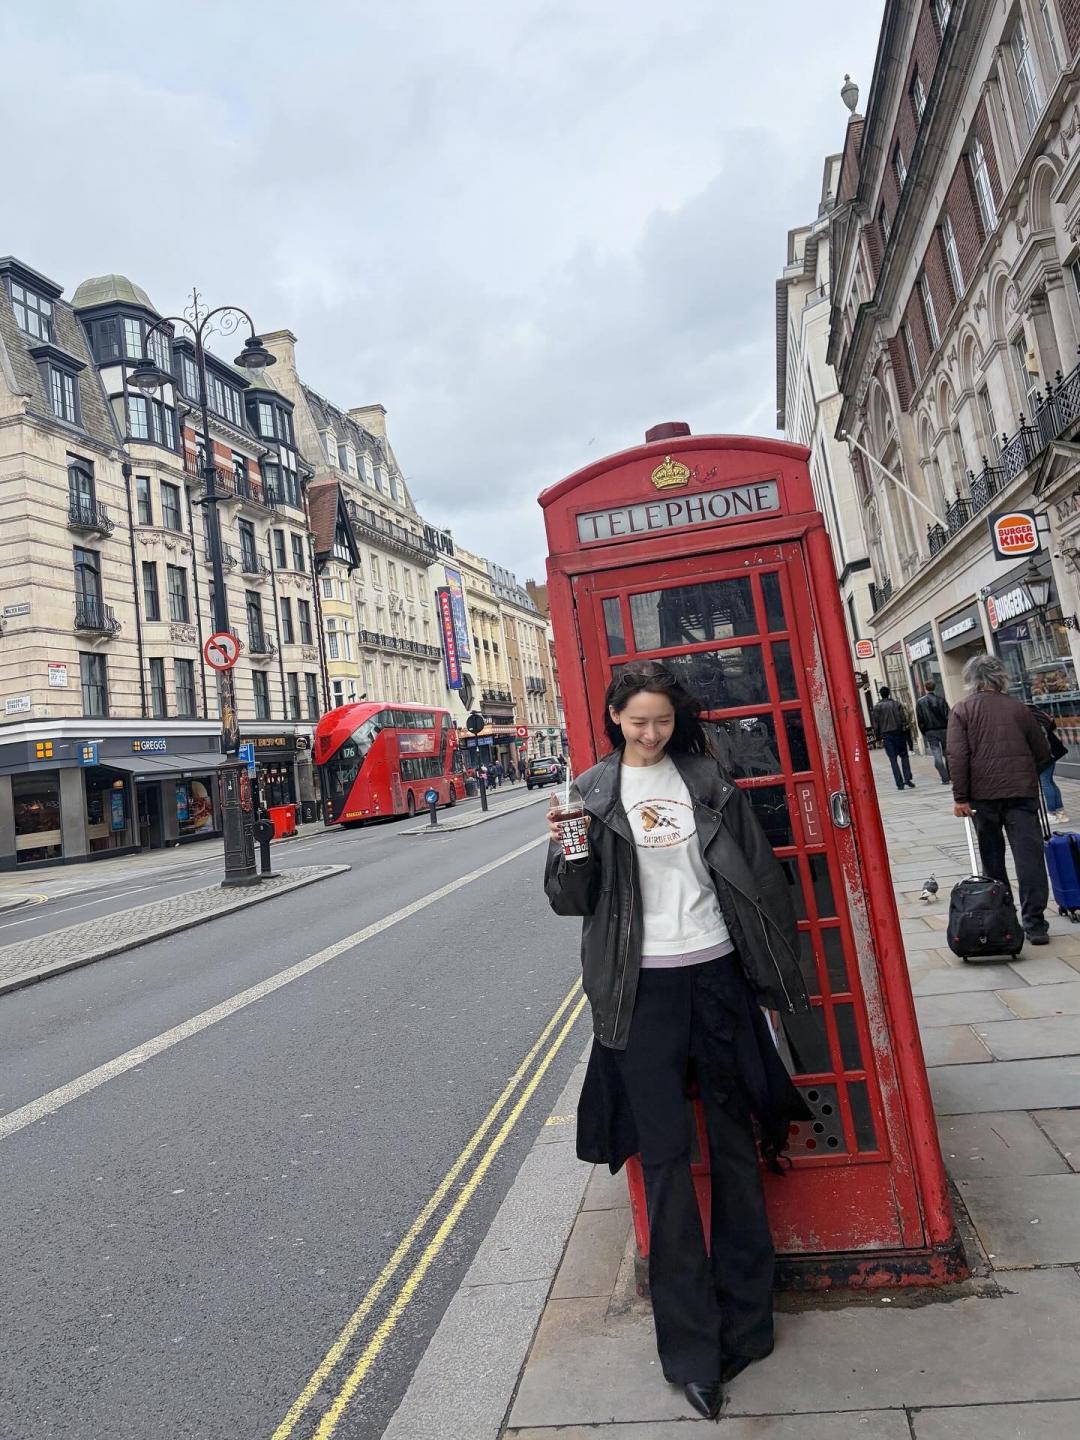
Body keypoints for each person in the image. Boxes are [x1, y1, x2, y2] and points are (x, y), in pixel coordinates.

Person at [544, 661, 810, 1420]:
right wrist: (569, 849)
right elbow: (570, 902)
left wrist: (775, 975)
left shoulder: (708, 782)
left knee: (734, 1150)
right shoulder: (589, 796)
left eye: (662, 720)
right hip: (642, 993)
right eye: (638, 722)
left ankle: (749, 1325)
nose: (651, 733)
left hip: (718, 977)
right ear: (614, 719)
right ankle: (691, 1351)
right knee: (665, 1166)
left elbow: (761, 881)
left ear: (676, 719)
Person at [947, 654, 1053, 945]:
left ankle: (1003, 919)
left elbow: (957, 757)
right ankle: (1036, 924)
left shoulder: (961, 710)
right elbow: (1043, 752)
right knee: (1029, 858)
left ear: (971, 680)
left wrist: (961, 797)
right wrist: (1026, 775)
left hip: (984, 798)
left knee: (992, 859)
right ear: (1000, 677)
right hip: (1022, 794)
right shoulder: (1019, 708)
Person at [1031, 705, 1070, 825]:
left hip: (1044, 755)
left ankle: (1052, 813)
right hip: (1051, 753)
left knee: (1046, 783)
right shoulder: (1038, 714)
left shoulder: (1031, 719)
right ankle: (1060, 812)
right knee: (1050, 782)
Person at [871, 685, 914, 790]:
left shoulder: (877, 707)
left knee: (893, 759)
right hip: (898, 733)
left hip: (887, 736)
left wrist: (878, 737)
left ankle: (899, 783)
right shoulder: (896, 704)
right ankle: (907, 778)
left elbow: (876, 724)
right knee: (904, 756)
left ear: (881, 695)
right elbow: (903, 718)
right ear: (889, 693)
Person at [915, 679, 951, 785]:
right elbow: (948, 716)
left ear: (925, 688)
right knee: (947, 754)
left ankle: (945, 777)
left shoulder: (920, 702)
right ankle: (950, 774)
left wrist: (924, 732)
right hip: (944, 729)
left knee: (937, 755)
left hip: (930, 731)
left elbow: (920, 719)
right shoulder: (941, 700)